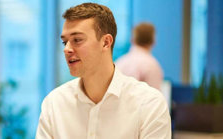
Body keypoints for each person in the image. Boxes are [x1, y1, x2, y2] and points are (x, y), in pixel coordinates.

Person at [36, 3, 171, 139]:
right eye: (65, 42)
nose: (67, 49)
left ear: (106, 42)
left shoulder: (150, 104)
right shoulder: (54, 103)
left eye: (77, 40)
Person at [115, 22, 164, 91]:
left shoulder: (119, 63)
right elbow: (154, 99)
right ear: (153, 41)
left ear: (132, 40)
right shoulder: (152, 66)